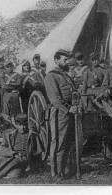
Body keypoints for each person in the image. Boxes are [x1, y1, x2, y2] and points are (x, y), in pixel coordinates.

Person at [44, 49, 78, 179]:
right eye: (65, 60)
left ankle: (64, 169)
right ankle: (56, 173)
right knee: (58, 142)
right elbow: (55, 99)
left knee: (68, 142)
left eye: (68, 59)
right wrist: (68, 109)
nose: (67, 62)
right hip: (60, 113)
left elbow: (74, 93)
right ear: (56, 60)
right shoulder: (51, 76)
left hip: (71, 112)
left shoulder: (66, 76)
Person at [0, 113, 43, 179]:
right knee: (15, 174)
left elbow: (38, 153)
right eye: (20, 125)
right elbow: (2, 148)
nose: (23, 127)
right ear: (16, 124)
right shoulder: (10, 135)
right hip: (11, 157)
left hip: (24, 159)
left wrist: (38, 167)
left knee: (17, 160)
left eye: (25, 125)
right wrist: (14, 153)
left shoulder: (33, 136)